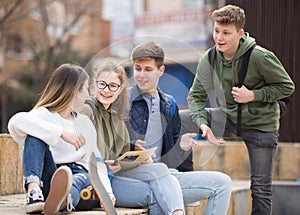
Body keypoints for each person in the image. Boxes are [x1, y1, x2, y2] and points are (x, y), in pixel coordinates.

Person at [187, 5, 295, 215]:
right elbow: (195, 96)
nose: (219, 37)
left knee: (260, 188)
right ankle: (181, 182)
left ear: (239, 34)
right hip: (227, 118)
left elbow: (287, 87)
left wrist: (253, 95)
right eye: (217, 30)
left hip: (260, 125)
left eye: (226, 33)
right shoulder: (209, 58)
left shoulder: (260, 57)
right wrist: (202, 123)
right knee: (179, 119)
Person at [125, 41, 232, 215]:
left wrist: (180, 147)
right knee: (160, 186)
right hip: (133, 180)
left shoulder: (169, 104)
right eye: (138, 68)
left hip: (165, 177)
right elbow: (111, 145)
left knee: (222, 183)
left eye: (148, 69)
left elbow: (169, 159)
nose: (141, 75)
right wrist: (132, 147)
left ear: (161, 71)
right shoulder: (122, 100)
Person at [81, 61, 185, 215]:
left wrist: (136, 153)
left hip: (114, 173)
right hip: (97, 178)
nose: (106, 90)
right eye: (102, 84)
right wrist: (105, 163)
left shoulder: (115, 116)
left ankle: (178, 212)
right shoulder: (87, 110)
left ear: (120, 88)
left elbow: (120, 153)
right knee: (157, 192)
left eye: (112, 86)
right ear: (94, 84)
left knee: (161, 170)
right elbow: (80, 152)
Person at [7, 63, 107, 214]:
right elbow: (15, 122)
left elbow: (95, 162)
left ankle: (64, 200)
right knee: (34, 135)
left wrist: (107, 193)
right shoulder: (43, 115)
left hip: (81, 176)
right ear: (74, 91)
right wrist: (61, 132)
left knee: (80, 179)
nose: (88, 96)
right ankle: (34, 192)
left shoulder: (84, 123)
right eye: (86, 89)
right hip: (51, 177)